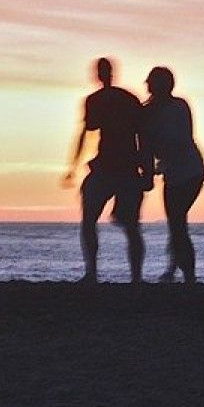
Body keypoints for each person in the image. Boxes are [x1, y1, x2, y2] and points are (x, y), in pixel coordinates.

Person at [61, 57, 150, 283]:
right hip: (115, 167)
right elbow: (142, 136)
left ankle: (104, 273)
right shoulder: (123, 99)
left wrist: (146, 169)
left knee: (118, 224)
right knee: (115, 224)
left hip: (120, 168)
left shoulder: (105, 100)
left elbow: (141, 136)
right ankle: (106, 273)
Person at [142, 66, 204, 284]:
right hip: (175, 171)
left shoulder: (177, 107)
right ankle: (174, 269)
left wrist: (153, 170)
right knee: (176, 222)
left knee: (178, 222)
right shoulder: (151, 111)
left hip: (189, 171)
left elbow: (179, 140)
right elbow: (148, 146)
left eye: (151, 82)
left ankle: (187, 274)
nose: (147, 86)